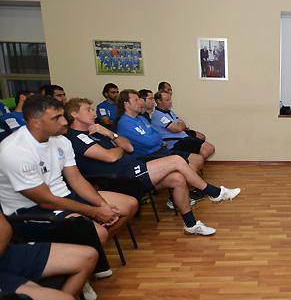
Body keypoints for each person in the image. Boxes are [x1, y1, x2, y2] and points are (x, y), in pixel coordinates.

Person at [0, 95, 138, 298]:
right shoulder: (14, 150)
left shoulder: (61, 141)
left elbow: (76, 180)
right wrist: (95, 212)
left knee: (129, 205)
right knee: (98, 232)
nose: (65, 121)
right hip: (31, 211)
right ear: (36, 122)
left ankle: (80, 258)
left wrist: (102, 205)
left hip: (64, 196)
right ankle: (78, 266)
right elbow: (45, 200)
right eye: (56, 118)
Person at [65, 98, 241, 235]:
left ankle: (191, 225)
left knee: (178, 179)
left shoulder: (97, 132)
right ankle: (214, 192)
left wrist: (110, 134)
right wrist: (118, 148)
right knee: (176, 160)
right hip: (119, 179)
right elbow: (111, 156)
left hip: (132, 168)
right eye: (88, 110)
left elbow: (128, 147)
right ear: (74, 114)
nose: (93, 113)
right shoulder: (76, 138)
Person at [151, 90, 215, 165]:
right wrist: (179, 125)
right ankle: (193, 165)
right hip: (175, 142)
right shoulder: (158, 115)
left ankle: (193, 165)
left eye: (170, 99)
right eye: (167, 100)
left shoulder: (170, 112)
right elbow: (178, 128)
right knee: (209, 149)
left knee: (203, 139)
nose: (170, 102)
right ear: (159, 101)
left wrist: (180, 125)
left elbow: (182, 124)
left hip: (182, 136)